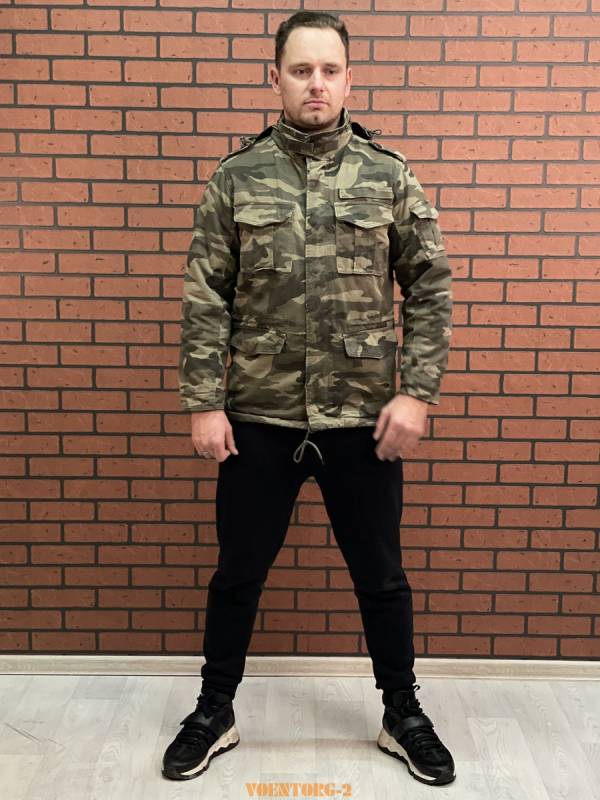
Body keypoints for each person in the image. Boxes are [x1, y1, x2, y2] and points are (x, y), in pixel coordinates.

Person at [163, 10, 455, 787]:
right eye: (301, 70)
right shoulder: (236, 177)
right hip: (257, 417)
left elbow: (430, 286)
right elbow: (204, 295)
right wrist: (204, 401)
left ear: (349, 78)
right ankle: (215, 709)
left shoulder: (389, 176)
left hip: (362, 419)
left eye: (329, 70)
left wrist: (417, 393)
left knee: (381, 577)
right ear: (276, 79)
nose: (315, 84)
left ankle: (402, 712)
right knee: (237, 573)